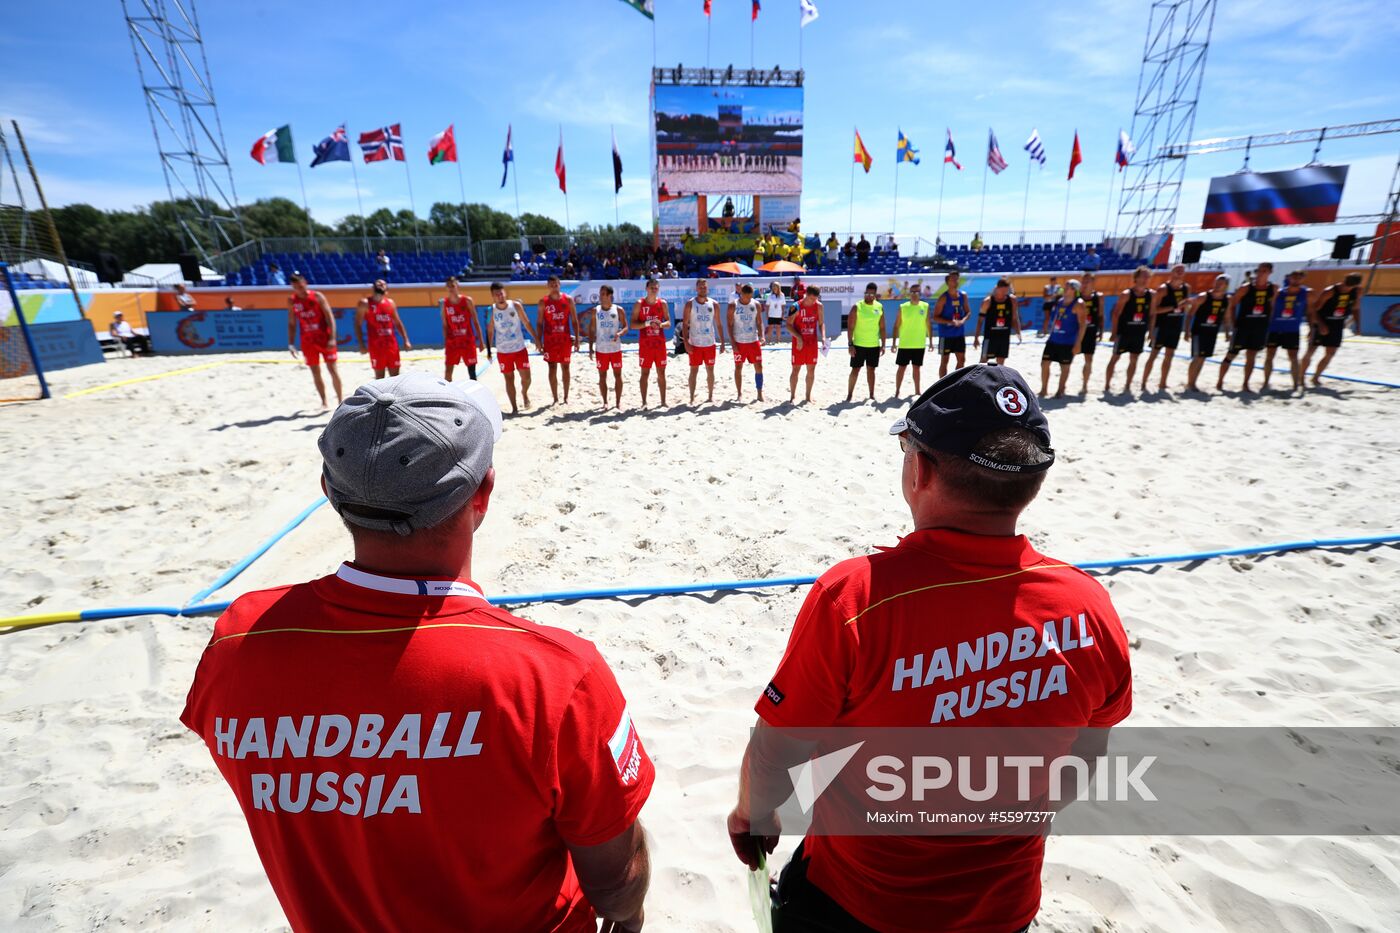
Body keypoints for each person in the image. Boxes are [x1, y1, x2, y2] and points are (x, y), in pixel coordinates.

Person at [182, 374, 653, 933]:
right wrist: (629, 922)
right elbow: (615, 878)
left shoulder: (239, 639)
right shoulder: (554, 676)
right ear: (482, 494)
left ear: (330, 492)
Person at [727, 364, 1131, 933]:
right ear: (1031, 484)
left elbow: (777, 747)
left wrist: (753, 813)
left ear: (919, 469)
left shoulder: (857, 596)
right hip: (1002, 905)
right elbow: (1084, 760)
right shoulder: (1089, 606)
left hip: (861, 902)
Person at [1216, 262, 1276, 393]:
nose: (1261, 273)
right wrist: (1234, 323)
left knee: (1252, 356)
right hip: (1243, 327)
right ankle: (1219, 382)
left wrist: (1269, 321)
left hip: (1260, 327)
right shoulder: (1246, 288)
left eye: (1264, 271)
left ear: (1270, 272)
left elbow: (1272, 305)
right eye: (1259, 270)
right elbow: (1232, 304)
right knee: (1231, 355)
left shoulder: (1273, 288)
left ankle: (1245, 384)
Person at [287, 273, 344, 408]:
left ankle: (340, 400)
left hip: (324, 338)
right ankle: (324, 401)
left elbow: (330, 318)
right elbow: (291, 323)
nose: (299, 289)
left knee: (332, 369)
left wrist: (332, 338)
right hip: (308, 341)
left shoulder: (317, 296)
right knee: (315, 371)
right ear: (293, 287)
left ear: (305, 283)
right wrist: (290, 343)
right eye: (296, 287)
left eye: (300, 286)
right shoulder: (292, 300)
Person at [1301, 272, 1364, 385]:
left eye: (1351, 285)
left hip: (1337, 324)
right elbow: (1313, 310)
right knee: (1311, 351)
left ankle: (1315, 377)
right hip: (1322, 320)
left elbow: (1356, 308)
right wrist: (1319, 325)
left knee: (1330, 353)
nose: (1348, 287)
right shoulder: (1330, 291)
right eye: (1347, 283)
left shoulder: (1357, 291)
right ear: (1344, 280)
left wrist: (1358, 325)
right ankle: (1301, 378)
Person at [1102, 265, 1153, 394]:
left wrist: (1151, 332)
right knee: (1115, 358)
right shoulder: (1127, 294)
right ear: (1136, 278)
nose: (1146, 278)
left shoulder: (1151, 295)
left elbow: (1152, 314)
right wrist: (1114, 333)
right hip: (1124, 332)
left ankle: (1128, 385)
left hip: (1139, 332)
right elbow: (1115, 314)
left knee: (1134, 359)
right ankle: (1107, 385)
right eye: (1144, 276)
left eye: (1148, 276)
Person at [486, 281, 536, 414]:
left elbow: (526, 322)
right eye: (496, 295)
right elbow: (490, 330)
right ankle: (514, 408)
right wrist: (489, 350)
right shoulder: (491, 310)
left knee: (526, 377)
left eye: (501, 293)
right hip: (503, 351)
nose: (500, 296)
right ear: (492, 296)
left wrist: (537, 339)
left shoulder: (515, 305)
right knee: (509, 379)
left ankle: (524, 393)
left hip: (519, 348)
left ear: (505, 293)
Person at [1140, 263, 1191, 392]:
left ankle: (1163, 382)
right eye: (1177, 270)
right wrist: (1151, 331)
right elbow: (1154, 311)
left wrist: (1187, 308)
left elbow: (1185, 307)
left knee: (1169, 356)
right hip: (1161, 327)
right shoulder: (1163, 289)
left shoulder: (1186, 288)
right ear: (1171, 273)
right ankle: (1143, 382)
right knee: (1153, 355)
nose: (1179, 272)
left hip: (1175, 326)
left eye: (1182, 270)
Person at [1182, 274, 1231, 393]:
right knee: (1197, 357)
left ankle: (1193, 382)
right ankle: (1190, 384)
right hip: (1199, 331)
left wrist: (1226, 332)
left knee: (1203, 358)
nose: (1218, 285)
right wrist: (1187, 331)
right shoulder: (1203, 297)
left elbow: (1226, 316)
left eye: (1221, 283)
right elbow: (1190, 315)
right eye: (1217, 282)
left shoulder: (1227, 299)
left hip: (1212, 332)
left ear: (1226, 286)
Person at [682, 278, 726, 405]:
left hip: (709, 343)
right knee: (693, 370)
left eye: (705, 287)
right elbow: (685, 324)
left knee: (710, 370)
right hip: (694, 343)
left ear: (707, 288)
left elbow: (718, 324)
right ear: (696, 289)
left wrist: (722, 342)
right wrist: (686, 342)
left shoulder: (714, 304)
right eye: (700, 287)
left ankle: (710, 396)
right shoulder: (690, 304)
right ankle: (691, 397)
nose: (703, 289)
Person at [537, 276, 581, 405]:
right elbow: (539, 323)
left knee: (566, 367)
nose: (553, 286)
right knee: (552, 367)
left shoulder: (568, 300)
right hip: (550, 340)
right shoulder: (543, 302)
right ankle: (555, 398)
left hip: (564, 339)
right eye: (551, 284)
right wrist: (538, 341)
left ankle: (566, 397)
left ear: (559, 284)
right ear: (548, 286)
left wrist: (577, 339)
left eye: (555, 283)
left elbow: (574, 320)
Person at [1262, 270, 1308, 392]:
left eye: (1299, 278)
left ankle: (1295, 385)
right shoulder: (1279, 293)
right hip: (1275, 328)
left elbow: (1311, 311)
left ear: (1302, 279)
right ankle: (1266, 382)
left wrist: (1313, 327)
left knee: (1293, 357)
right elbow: (1271, 309)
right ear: (1289, 278)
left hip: (1292, 330)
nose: (1296, 280)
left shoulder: (1306, 293)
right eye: (1294, 277)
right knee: (1270, 355)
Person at [1041, 278, 1087, 398]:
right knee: (1044, 363)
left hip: (1068, 341)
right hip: (1054, 339)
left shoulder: (1079, 303)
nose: (1064, 288)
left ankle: (1060, 390)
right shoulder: (1060, 301)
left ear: (1074, 290)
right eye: (1065, 286)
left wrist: (1078, 343)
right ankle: (1044, 390)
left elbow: (1083, 325)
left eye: (1068, 287)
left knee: (1064, 367)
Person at [355, 279, 410, 380]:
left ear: (386, 288)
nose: (381, 284)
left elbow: (397, 322)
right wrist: (362, 344)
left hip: (391, 345)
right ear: (373, 287)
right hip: (376, 346)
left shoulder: (390, 303)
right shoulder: (365, 303)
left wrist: (406, 340)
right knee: (380, 378)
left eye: (384, 284)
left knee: (395, 377)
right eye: (378, 283)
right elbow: (358, 324)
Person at [633, 278, 671, 407]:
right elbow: (633, 324)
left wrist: (660, 325)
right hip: (645, 345)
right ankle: (644, 402)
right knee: (645, 373)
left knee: (661, 373)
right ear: (646, 288)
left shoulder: (663, 303)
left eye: (656, 288)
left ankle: (663, 402)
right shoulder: (640, 303)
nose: (654, 290)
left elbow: (669, 323)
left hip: (659, 344)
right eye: (651, 288)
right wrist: (648, 323)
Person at [786, 284, 827, 404]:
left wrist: (823, 337)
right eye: (812, 299)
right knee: (796, 369)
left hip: (812, 342)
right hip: (799, 342)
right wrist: (798, 337)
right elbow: (788, 325)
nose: (814, 301)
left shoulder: (819, 306)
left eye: (816, 298)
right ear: (806, 295)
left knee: (811, 370)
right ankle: (792, 396)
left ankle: (808, 396)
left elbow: (821, 323)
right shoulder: (796, 306)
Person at [589, 284, 628, 410]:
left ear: (610, 296)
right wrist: (590, 348)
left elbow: (626, 327)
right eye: (600, 293)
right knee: (602, 376)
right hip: (601, 349)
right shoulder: (596, 310)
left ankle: (618, 402)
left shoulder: (618, 310)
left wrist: (620, 333)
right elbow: (591, 329)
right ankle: (605, 402)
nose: (600, 296)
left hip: (615, 349)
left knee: (618, 375)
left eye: (603, 294)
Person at [846, 282, 886, 403]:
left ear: (875, 294)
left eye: (871, 294)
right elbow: (850, 327)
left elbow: (882, 327)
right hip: (858, 345)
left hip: (874, 345)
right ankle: (849, 394)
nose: (868, 295)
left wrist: (883, 344)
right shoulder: (857, 307)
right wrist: (850, 344)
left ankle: (871, 394)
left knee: (871, 370)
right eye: (867, 293)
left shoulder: (879, 307)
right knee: (855, 370)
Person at [892, 283, 932, 397]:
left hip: (919, 344)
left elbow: (928, 324)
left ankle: (917, 391)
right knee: (901, 368)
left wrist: (930, 342)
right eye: (912, 292)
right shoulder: (903, 307)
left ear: (920, 293)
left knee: (916, 368)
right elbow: (896, 325)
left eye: (917, 292)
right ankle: (897, 390)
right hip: (905, 344)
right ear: (909, 293)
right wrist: (894, 343)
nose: (914, 294)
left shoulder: (925, 306)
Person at [441, 276, 483, 382]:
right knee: (448, 371)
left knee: (472, 373)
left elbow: (475, 321)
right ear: (446, 288)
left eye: (453, 285)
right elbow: (445, 325)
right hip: (452, 342)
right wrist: (446, 341)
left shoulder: (467, 300)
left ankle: (474, 395)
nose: (451, 288)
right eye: (449, 286)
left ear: (457, 286)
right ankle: (448, 395)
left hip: (467, 341)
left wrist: (481, 341)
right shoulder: (444, 303)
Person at [729, 284, 766, 402]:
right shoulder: (733, 305)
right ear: (742, 294)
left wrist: (762, 336)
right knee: (738, 367)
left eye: (751, 297)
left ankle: (759, 393)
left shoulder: (756, 304)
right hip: (739, 341)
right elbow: (729, 325)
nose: (749, 299)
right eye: (747, 297)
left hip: (753, 340)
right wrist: (733, 343)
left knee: (759, 366)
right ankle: (739, 393)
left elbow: (759, 322)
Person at [932, 270, 972, 378]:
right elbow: (935, 317)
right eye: (953, 279)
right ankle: (941, 386)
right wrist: (951, 322)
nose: (955, 280)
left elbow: (968, 312)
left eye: (957, 278)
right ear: (948, 282)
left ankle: (956, 383)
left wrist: (963, 320)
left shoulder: (963, 296)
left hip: (959, 334)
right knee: (944, 361)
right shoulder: (943, 298)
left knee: (961, 360)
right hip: (946, 334)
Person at [975, 277, 1022, 366]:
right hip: (990, 336)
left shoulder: (1012, 300)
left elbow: (1015, 318)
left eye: (1007, 290)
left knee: (1000, 364)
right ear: (997, 288)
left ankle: (997, 380)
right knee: (983, 363)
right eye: (1003, 290)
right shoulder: (988, 301)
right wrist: (976, 337)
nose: (1005, 292)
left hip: (1004, 336)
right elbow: (980, 320)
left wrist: (1018, 332)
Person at [1078, 272, 1104, 395]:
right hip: (1076, 332)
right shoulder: (1076, 296)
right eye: (1083, 281)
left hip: (1091, 331)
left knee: (1088, 359)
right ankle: (1062, 387)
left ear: (1093, 283)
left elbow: (1100, 316)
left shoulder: (1098, 297)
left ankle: (1084, 385)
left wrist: (1101, 331)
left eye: (1088, 281)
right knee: (1066, 360)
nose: (1085, 283)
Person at [763, 281, 789, 345]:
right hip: (771, 313)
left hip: (779, 314)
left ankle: (778, 340)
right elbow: (767, 305)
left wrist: (782, 314)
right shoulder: (769, 295)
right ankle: (768, 340)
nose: (774, 287)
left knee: (778, 327)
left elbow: (783, 305)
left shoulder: (782, 295)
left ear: (778, 287)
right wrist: (767, 314)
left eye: (776, 286)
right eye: (773, 286)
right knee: (770, 327)